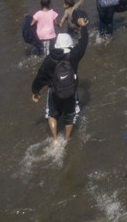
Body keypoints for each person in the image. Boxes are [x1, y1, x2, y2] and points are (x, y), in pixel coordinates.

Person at [31, 15, 89, 144]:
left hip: (54, 91)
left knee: (52, 114)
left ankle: (55, 139)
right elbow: (84, 42)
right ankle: (67, 138)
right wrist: (83, 26)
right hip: (71, 91)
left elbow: (41, 76)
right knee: (70, 115)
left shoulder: (50, 58)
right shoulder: (74, 55)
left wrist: (35, 91)